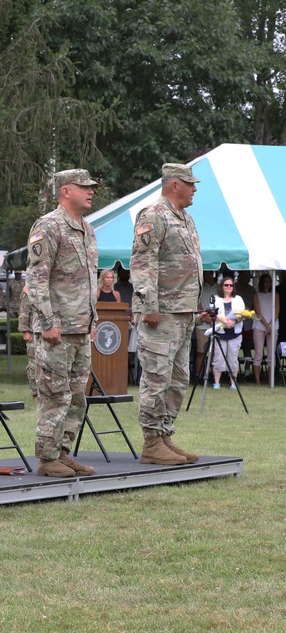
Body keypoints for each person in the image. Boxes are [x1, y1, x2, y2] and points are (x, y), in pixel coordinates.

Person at [25, 169, 99, 478]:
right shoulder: (50, 226)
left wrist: (93, 320)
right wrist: (47, 322)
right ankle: (47, 457)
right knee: (55, 395)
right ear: (65, 191)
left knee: (77, 395)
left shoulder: (86, 228)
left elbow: (88, 280)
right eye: (84, 187)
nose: (91, 191)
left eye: (92, 187)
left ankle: (63, 452)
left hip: (80, 327)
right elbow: (37, 279)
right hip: (58, 329)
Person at [130, 163, 203, 466]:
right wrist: (150, 307)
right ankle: (150, 442)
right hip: (161, 313)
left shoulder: (185, 218)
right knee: (157, 377)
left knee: (178, 378)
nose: (194, 189)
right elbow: (143, 262)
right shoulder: (153, 215)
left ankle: (164, 435)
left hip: (183, 312)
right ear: (175, 185)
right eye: (190, 184)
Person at [209, 278, 246, 389]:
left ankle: (233, 383)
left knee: (233, 358)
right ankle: (217, 383)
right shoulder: (215, 299)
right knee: (219, 357)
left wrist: (234, 321)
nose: (229, 287)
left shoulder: (238, 299)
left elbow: (243, 314)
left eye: (231, 285)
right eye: (226, 285)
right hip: (220, 332)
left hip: (235, 332)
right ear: (222, 286)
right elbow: (211, 313)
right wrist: (223, 321)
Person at [253, 273, 279, 383]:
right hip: (259, 326)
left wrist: (271, 325)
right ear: (261, 282)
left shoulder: (276, 294)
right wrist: (267, 325)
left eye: (269, 281)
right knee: (258, 354)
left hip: (273, 327)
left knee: (271, 355)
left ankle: (270, 381)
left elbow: (277, 311)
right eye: (265, 281)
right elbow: (258, 312)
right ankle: (258, 382)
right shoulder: (256, 295)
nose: (267, 283)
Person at [194, 270, 220, 379]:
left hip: (216, 323)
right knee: (201, 352)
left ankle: (212, 375)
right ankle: (198, 375)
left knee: (215, 352)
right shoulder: (200, 288)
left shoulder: (219, 287)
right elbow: (197, 305)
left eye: (209, 273)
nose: (207, 275)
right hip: (202, 324)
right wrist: (206, 318)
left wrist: (213, 319)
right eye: (205, 273)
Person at [17, 284, 38, 398]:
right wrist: (25, 331)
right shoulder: (29, 288)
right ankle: (35, 392)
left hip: (48, 331)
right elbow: (24, 311)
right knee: (34, 364)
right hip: (33, 332)